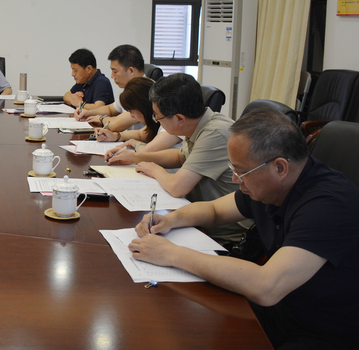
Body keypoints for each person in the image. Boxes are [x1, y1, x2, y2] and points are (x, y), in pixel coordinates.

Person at [129, 109, 359, 349]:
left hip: (325, 330)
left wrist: (171, 254)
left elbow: (266, 286)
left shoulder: (329, 205)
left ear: (280, 168)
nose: (235, 179)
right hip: (282, 310)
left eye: (241, 171)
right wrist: (170, 219)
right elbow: (215, 211)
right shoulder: (269, 184)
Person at [123, 73, 249, 243]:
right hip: (197, 216)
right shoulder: (198, 124)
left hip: (223, 232)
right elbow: (180, 156)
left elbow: (177, 187)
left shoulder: (215, 133)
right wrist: (136, 157)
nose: (156, 121)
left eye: (157, 116)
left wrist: (154, 169)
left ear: (179, 119)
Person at [97, 77, 182, 158]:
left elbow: (147, 152)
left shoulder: (172, 124)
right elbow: (140, 134)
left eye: (131, 111)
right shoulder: (159, 120)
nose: (131, 115)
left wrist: (134, 143)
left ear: (143, 107)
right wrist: (115, 136)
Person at [75, 44, 148, 133]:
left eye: (115, 71)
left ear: (131, 71)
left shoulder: (144, 92)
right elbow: (110, 109)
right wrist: (88, 112)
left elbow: (116, 125)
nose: (112, 76)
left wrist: (101, 118)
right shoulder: (131, 89)